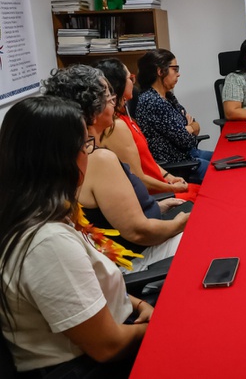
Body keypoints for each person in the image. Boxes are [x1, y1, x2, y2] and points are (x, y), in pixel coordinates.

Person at [0, 96, 150, 377]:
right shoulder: (47, 243)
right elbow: (108, 346)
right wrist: (157, 328)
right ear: (58, 159)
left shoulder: (34, 215)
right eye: (84, 145)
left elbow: (89, 291)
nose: (89, 153)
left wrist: (139, 303)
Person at [43, 64, 188, 272]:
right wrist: (181, 223)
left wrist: (158, 206)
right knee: (211, 233)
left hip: (141, 247)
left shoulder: (76, 151)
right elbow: (138, 233)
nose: (114, 101)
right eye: (108, 96)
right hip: (138, 259)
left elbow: (110, 215)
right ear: (92, 109)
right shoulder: (99, 158)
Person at [95, 58, 199, 202]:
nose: (134, 82)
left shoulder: (127, 117)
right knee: (206, 196)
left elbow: (148, 161)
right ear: (118, 84)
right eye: (130, 78)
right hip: (154, 195)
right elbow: (138, 178)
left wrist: (169, 177)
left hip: (162, 185)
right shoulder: (116, 126)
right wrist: (171, 187)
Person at [134, 49, 212, 184]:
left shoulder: (168, 96)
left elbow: (192, 123)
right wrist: (190, 128)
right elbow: (186, 140)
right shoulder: (152, 101)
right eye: (175, 69)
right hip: (178, 165)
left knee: (225, 159)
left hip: (188, 154)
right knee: (223, 172)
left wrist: (190, 128)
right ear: (160, 71)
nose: (179, 74)